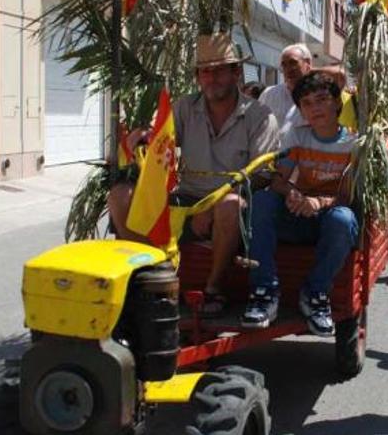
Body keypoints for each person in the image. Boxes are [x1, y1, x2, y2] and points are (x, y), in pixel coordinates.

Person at [107, 33, 279, 317]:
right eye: (205, 72)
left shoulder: (260, 116)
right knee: (120, 195)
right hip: (186, 197)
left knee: (229, 206)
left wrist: (214, 203)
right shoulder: (186, 107)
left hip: (233, 204)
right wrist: (142, 139)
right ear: (198, 77)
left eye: (220, 71)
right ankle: (149, 277)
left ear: (236, 73)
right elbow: (162, 143)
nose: (212, 78)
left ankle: (214, 288)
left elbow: (262, 175)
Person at [245, 72, 359, 333]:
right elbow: (278, 181)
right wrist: (292, 194)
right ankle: (265, 290)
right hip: (298, 213)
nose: (315, 108)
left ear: (337, 103)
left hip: (328, 220)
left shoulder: (353, 143)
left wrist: (319, 202)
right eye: (306, 103)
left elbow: (348, 196)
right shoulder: (297, 136)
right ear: (300, 111)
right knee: (262, 201)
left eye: (321, 99)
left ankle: (316, 293)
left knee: (343, 219)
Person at [258, 43, 349, 137]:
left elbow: (340, 76)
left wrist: (310, 70)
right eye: (284, 65)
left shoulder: (318, 92)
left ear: (308, 63)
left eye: (293, 63)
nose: (288, 69)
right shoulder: (269, 94)